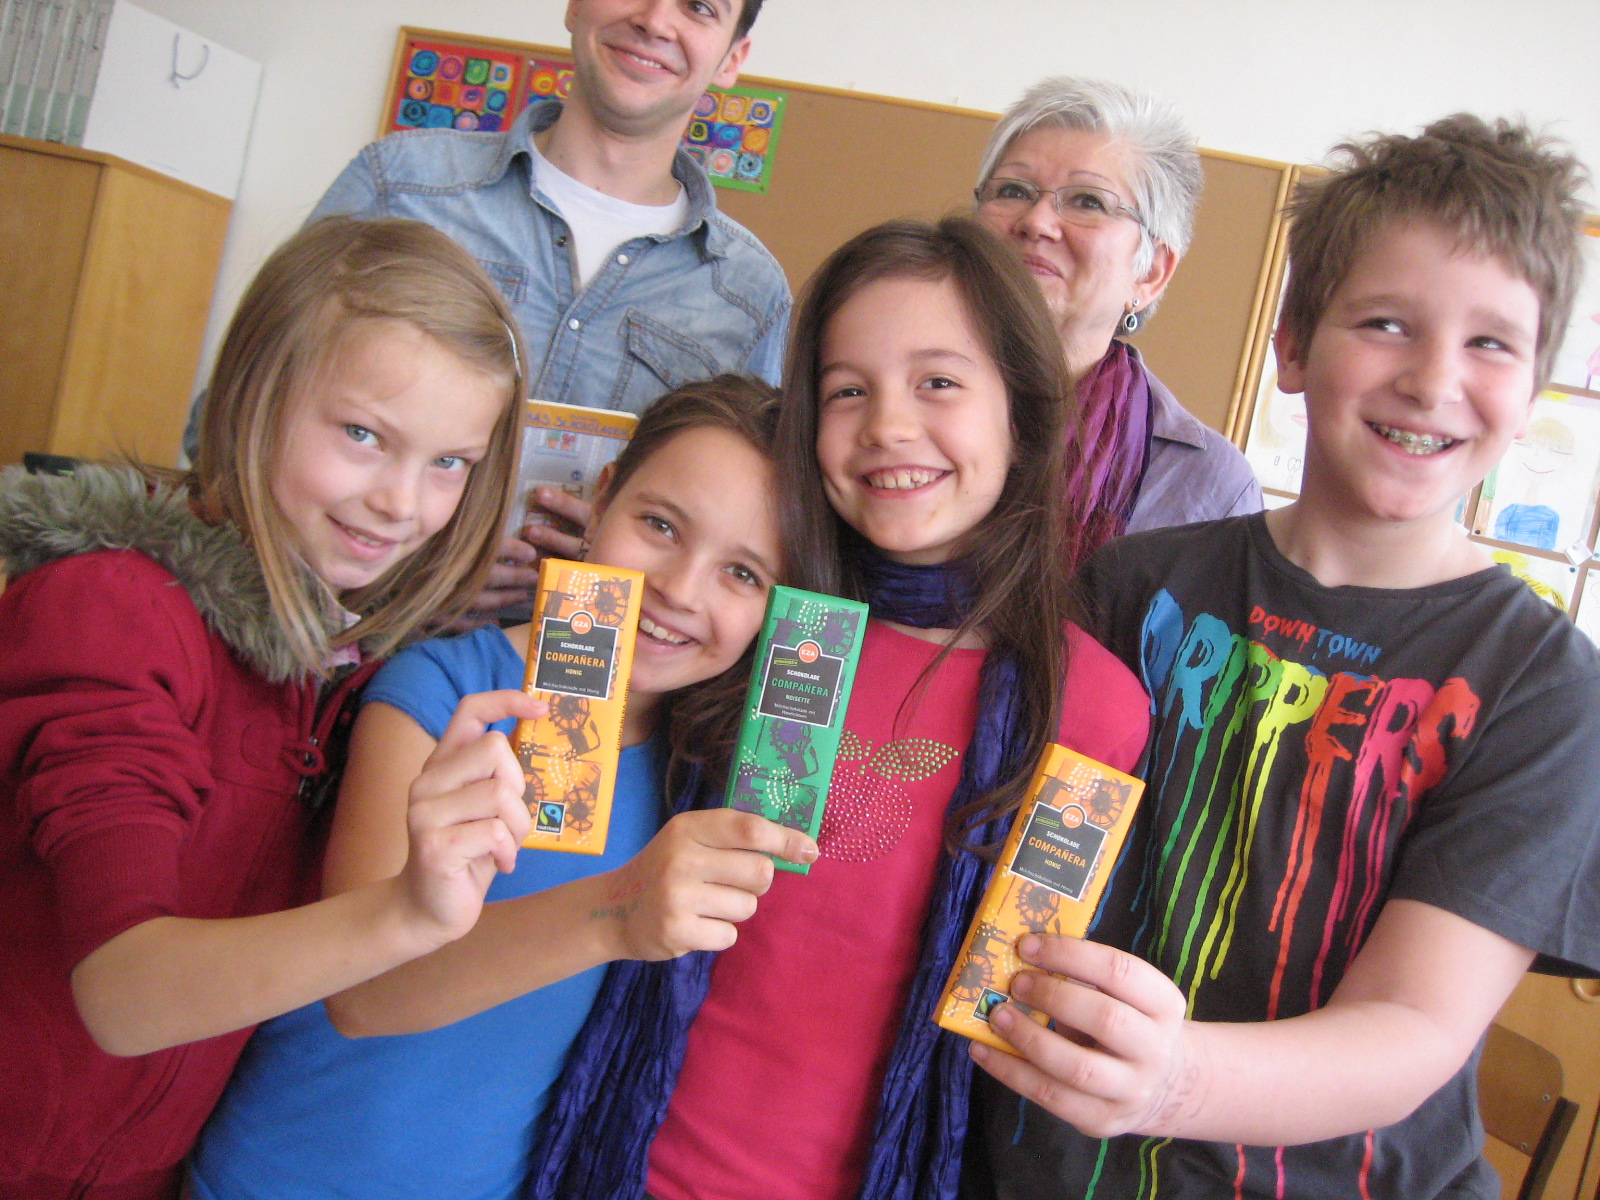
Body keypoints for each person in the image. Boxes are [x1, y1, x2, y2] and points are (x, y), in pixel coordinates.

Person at [966, 115, 1600, 1200]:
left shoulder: (1543, 686)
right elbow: (1027, 861)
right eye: (1387, 324)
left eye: (1490, 343)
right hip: (1046, 1163)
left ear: (1532, 384)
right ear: (1294, 347)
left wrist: (1175, 1082)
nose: (1432, 380)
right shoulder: (1133, 586)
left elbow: (1412, 1022)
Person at [527, 217, 1152, 1200]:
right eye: (846, 390)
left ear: (1025, 413)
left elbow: (1005, 1019)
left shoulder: (1093, 708)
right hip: (619, 1157)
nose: (887, 425)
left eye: (937, 382)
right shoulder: (754, 621)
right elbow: (550, 824)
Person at [0, 216, 540, 1200]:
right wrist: (404, 912)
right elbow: (121, 992)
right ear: (254, 392)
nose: (401, 502)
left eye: (450, 463)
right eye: (363, 435)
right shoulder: (110, 610)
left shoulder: (348, 669)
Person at [188, 376, 816, 1200]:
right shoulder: (443, 690)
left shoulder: (701, 773)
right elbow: (362, 996)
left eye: (743, 573)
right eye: (660, 526)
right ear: (600, 501)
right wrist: (618, 912)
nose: (681, 587)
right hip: (285, 1176)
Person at [187, 0, 791, 620]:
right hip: (331, 635)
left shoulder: (750, 294)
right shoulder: (400, 184)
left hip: (565, 662)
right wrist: (403, 560)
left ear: (732, 57)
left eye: (700, 7)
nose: (656, 20)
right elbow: (228, 422)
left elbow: (742, 530)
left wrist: (622, 548)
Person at [973, 76, 1261, 554]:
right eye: (1013, 190)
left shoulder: (1207, 486)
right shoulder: (873, 385)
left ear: (1150, 273)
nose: (1036, 221)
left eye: (1089, 201)